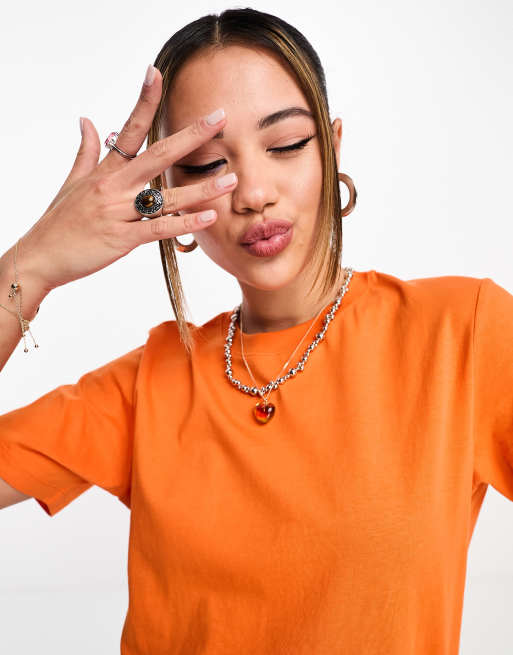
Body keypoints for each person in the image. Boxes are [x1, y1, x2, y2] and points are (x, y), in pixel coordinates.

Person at [0, 7, 512, 655]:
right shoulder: (149, 384)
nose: (252, 193)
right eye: (205, 164)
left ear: (332, 147)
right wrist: (29, 267)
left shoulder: (461, 333)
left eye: (286, 144)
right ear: (167, 191)